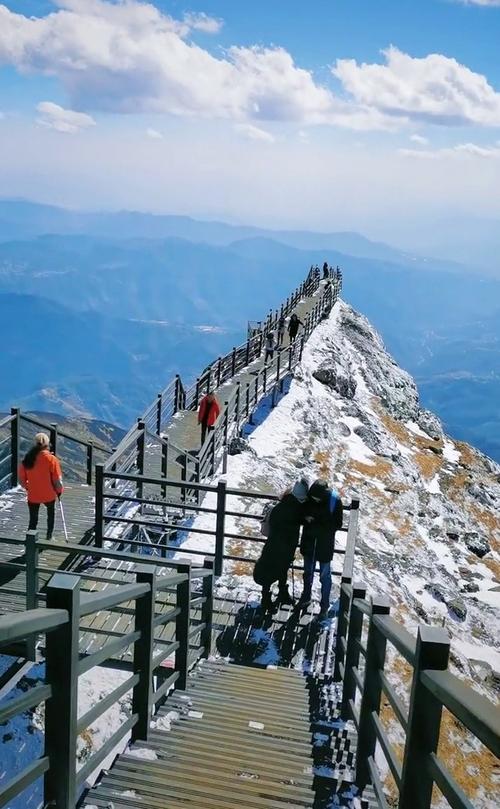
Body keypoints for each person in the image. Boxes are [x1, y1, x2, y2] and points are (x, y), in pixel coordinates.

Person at [253, 478, 309, 611]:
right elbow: (293, 523)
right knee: (279, 569)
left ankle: (270, 597)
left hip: (275, 545)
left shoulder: (284, 504)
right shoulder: (295, 509)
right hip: (284, 546)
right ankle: (273, 597)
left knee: (273, 568)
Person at [298, 479, 343, 619]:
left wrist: (315, 522)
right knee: (307, 573)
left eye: (317, 498)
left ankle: (324, 606)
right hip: (313, 543)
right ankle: (306, 598)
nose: (314, 500)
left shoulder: (334, 500)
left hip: (323, 545)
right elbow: (301, 515)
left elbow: (337, 524)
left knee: (325, 577)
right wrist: (306, 519)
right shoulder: (310, 498)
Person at [19, 433, 64, 540]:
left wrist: (28, 487)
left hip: (33, 494)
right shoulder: (52, 459)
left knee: (33, 519)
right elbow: (57, 480)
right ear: (48, 444)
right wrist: (59, 491)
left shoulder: (28, 459)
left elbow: (21, 479)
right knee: (51, 515)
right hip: (49, 494)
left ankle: (30, 540)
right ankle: (49, 536)